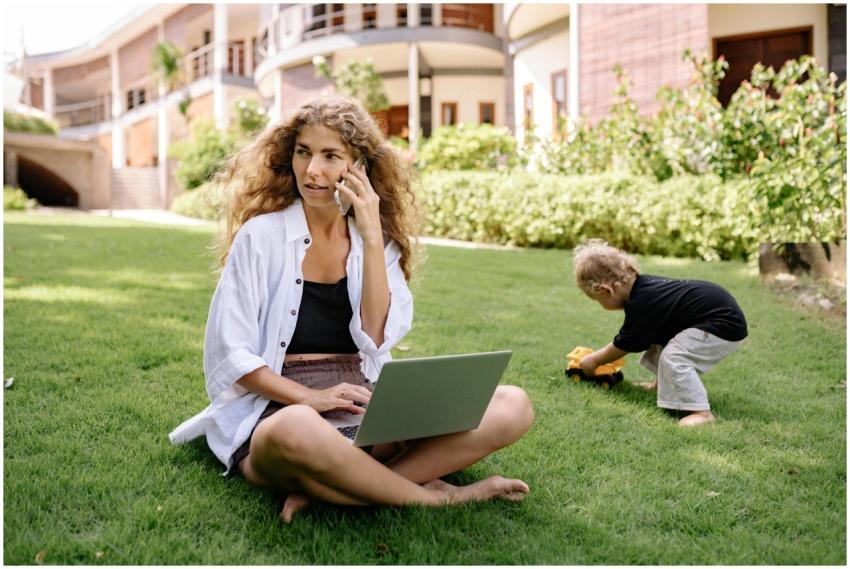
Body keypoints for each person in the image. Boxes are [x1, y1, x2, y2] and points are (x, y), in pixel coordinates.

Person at [168, 96, 534, 522]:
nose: (312, 170)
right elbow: (232, 354)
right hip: (281, 405)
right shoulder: (261, 236)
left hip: (362, 400)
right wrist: (311, 398)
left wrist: (373, 236)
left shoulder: (376, 243)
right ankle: (434, 496)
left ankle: (341, 485)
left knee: (513, 405)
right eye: (303, 152)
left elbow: (376, 337)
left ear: (358, 164)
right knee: (296, 428)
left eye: (330, 156)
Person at [571, 239, 747, 426]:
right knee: (660, 336)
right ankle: (661, 386)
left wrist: (595, 360)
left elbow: (625, 343)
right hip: (713, 316)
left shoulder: (642, 303)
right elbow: (651, 335)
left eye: (597, 300)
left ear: (606, 290)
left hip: (723, 323)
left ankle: (701, 413)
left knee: (674, 355)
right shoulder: (643, 289)